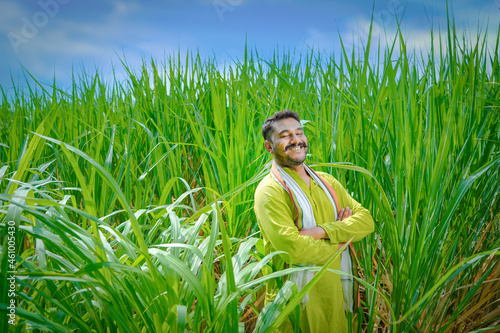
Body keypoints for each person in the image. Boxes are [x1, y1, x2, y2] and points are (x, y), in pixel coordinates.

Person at [254, 110, 374, 332]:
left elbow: (366, 221)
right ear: (269, 147)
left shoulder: (327, 183)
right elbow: (293, 248)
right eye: (285, 135)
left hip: (337, 299)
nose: (296, 140)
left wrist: (321, 231)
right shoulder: (270, 191)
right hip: (295, 306)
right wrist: (340, 242)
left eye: (299, 133)